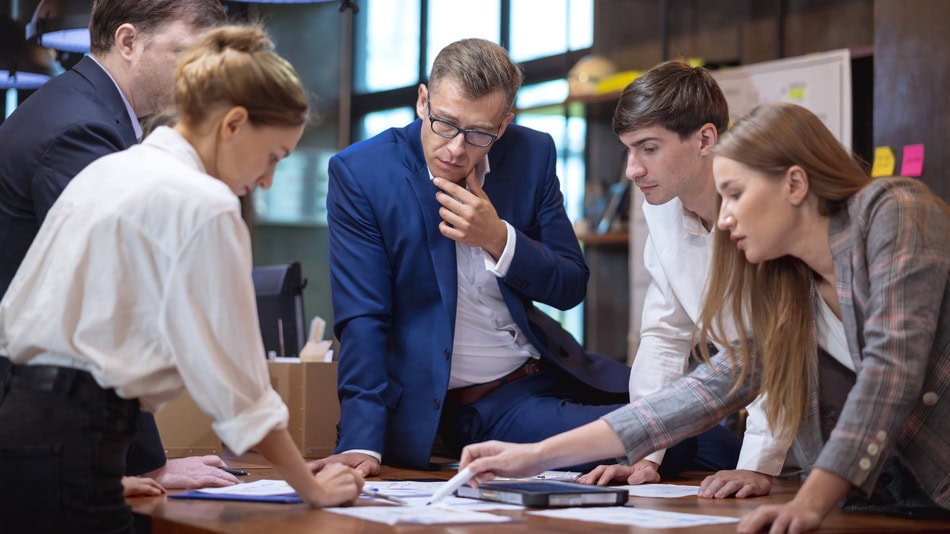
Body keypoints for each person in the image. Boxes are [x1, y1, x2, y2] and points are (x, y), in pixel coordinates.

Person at [459, 102, 950, 533]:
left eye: (735, 193)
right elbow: (704, 392)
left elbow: (891, 371)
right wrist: (532, 457)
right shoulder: (789, 286)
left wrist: (809, 501)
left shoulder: (894, 212)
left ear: (795, 184)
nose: (726, 217)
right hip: (890, 502)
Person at [0, 25, 364, 532]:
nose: (266, 180)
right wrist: (314, 487)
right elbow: (241, 393)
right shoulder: (204, 202)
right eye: (274, 157)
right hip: (77, 436)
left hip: (24, 432)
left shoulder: (114, 169)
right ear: (234, 125)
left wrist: (91, 468)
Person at [311, 38, 630, 477]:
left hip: (549, 368)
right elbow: (363, 317)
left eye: (479, 133)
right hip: (480, 406)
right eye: (445, 123)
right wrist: (361, 443)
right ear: (423, 101)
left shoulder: (531, 154)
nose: (457, 149)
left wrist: (499, 238)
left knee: (695, 422)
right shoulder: (363, 174)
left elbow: (571, 284)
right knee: (663, 438)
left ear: (504, 125)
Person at [0, 0, 237, 492]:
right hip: (42, 422)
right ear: (127, 42)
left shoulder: (84, 109)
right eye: (188, 55)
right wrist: (146, 464)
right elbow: (108, 305)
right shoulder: (80, 129)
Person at [577, 61, 785, 497]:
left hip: (836, 422)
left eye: (648, 148)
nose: (632, 169)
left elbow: (786, 346)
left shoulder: (765, 205)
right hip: (764, 417)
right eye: (628, 150)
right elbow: (665, 334)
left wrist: (758, 466)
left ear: (705, 139)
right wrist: (643, 455)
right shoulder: (661, 206)